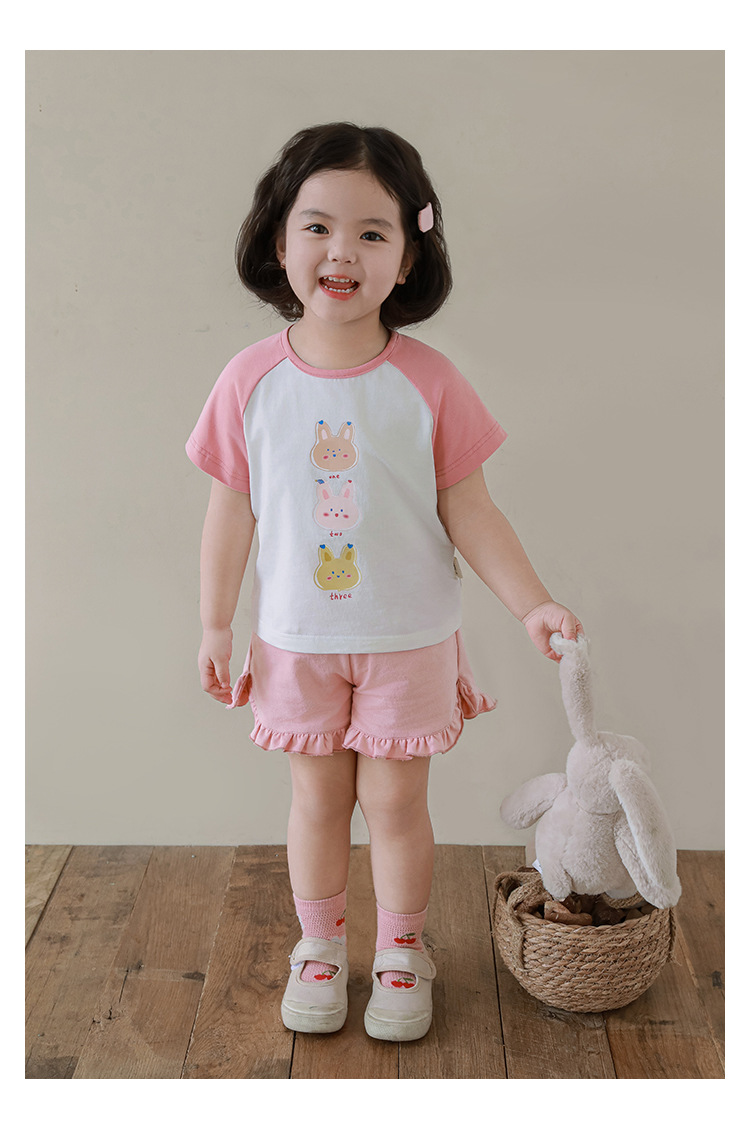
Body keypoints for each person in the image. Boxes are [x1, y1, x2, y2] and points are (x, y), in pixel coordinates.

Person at [186, 122, 584, 1042]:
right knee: (317, 799)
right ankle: (321, 947)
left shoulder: (430, 382)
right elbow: (230, 513)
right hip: (296, 639)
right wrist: (214, 623)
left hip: (410, 639)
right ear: (279, 240)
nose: (342, 252)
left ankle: (403, 951)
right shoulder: (248, 382)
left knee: (399, 802)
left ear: (407, 258)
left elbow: (471, 510)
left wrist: (532, 603)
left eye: (372, 232)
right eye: (318, 226)